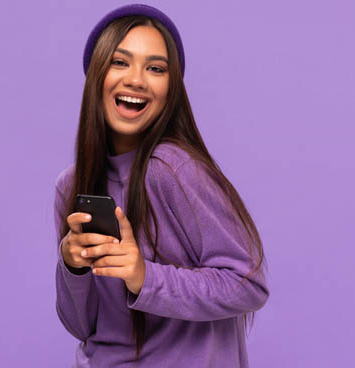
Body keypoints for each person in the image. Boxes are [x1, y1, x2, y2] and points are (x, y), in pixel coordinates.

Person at [53, 4, 269, 367]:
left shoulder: (173, 169)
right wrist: (72, 266)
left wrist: (143, 276)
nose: (136, 79)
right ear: (95, 74)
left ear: (172, 89)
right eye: (120, 62)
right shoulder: (71, 185)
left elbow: (248, 284)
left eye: (155, 68)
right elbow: (82, 326)